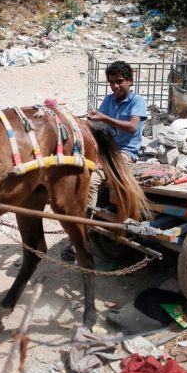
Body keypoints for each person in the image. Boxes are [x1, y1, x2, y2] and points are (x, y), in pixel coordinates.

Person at [62, 60, 148, 262]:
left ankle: (81, 238)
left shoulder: (137, 101)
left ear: (129, 81)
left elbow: (132, 128)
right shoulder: (109, 100)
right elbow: (95, 122)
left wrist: (103, 119)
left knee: (91, 183)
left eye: (119, 82)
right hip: (104, 149)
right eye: (111, 82)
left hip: (123, 153)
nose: (115, 86)